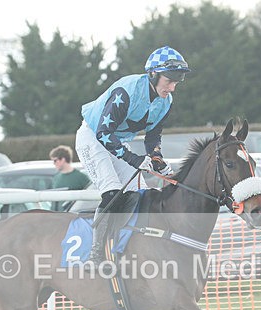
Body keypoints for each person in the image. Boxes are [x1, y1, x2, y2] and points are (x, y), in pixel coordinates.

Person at [76, 45, 190, 267]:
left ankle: (125, 249)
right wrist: (135, 160)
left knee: (137, 195)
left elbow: (152, 138)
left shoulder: (165, 101)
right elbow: (103, 133)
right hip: (93, 136)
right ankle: (95, 254)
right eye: (170, 80)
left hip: (116, 141)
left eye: (177, 82)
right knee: (112, 193)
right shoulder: (125, 92)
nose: (173, 87)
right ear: (153, 75)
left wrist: (157, 160)